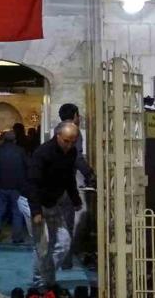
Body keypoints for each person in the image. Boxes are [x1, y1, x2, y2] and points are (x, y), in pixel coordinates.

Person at [18, 121, 82, 291]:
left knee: (64, 243)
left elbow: (69, 178)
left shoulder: (71, 152)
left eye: (73, 141)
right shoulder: (43, 153)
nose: (69, 145)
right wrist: (36, 211)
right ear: (57, 136)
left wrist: (76, 200)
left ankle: (46, 279)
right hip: (32, 201)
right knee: (42, 247)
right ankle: (42, 284)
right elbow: (33, 183)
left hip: (51, 203)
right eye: (66, 141)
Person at [54, 103, 97, 268]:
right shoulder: (73, 131)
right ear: (74, 116)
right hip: (65, 184)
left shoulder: (58, 130)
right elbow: (76, 157)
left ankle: (55, 259)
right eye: (78, 115)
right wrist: (89, 174)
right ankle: (65, 262)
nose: (79, 118)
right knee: (67, 223)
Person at [0, 130, 28, 245]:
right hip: (16, 186)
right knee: (17, 212)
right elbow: (27, 166)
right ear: (15, 140)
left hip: (0, 185)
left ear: (3, 139)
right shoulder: (20, 151)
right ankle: (17, 237)